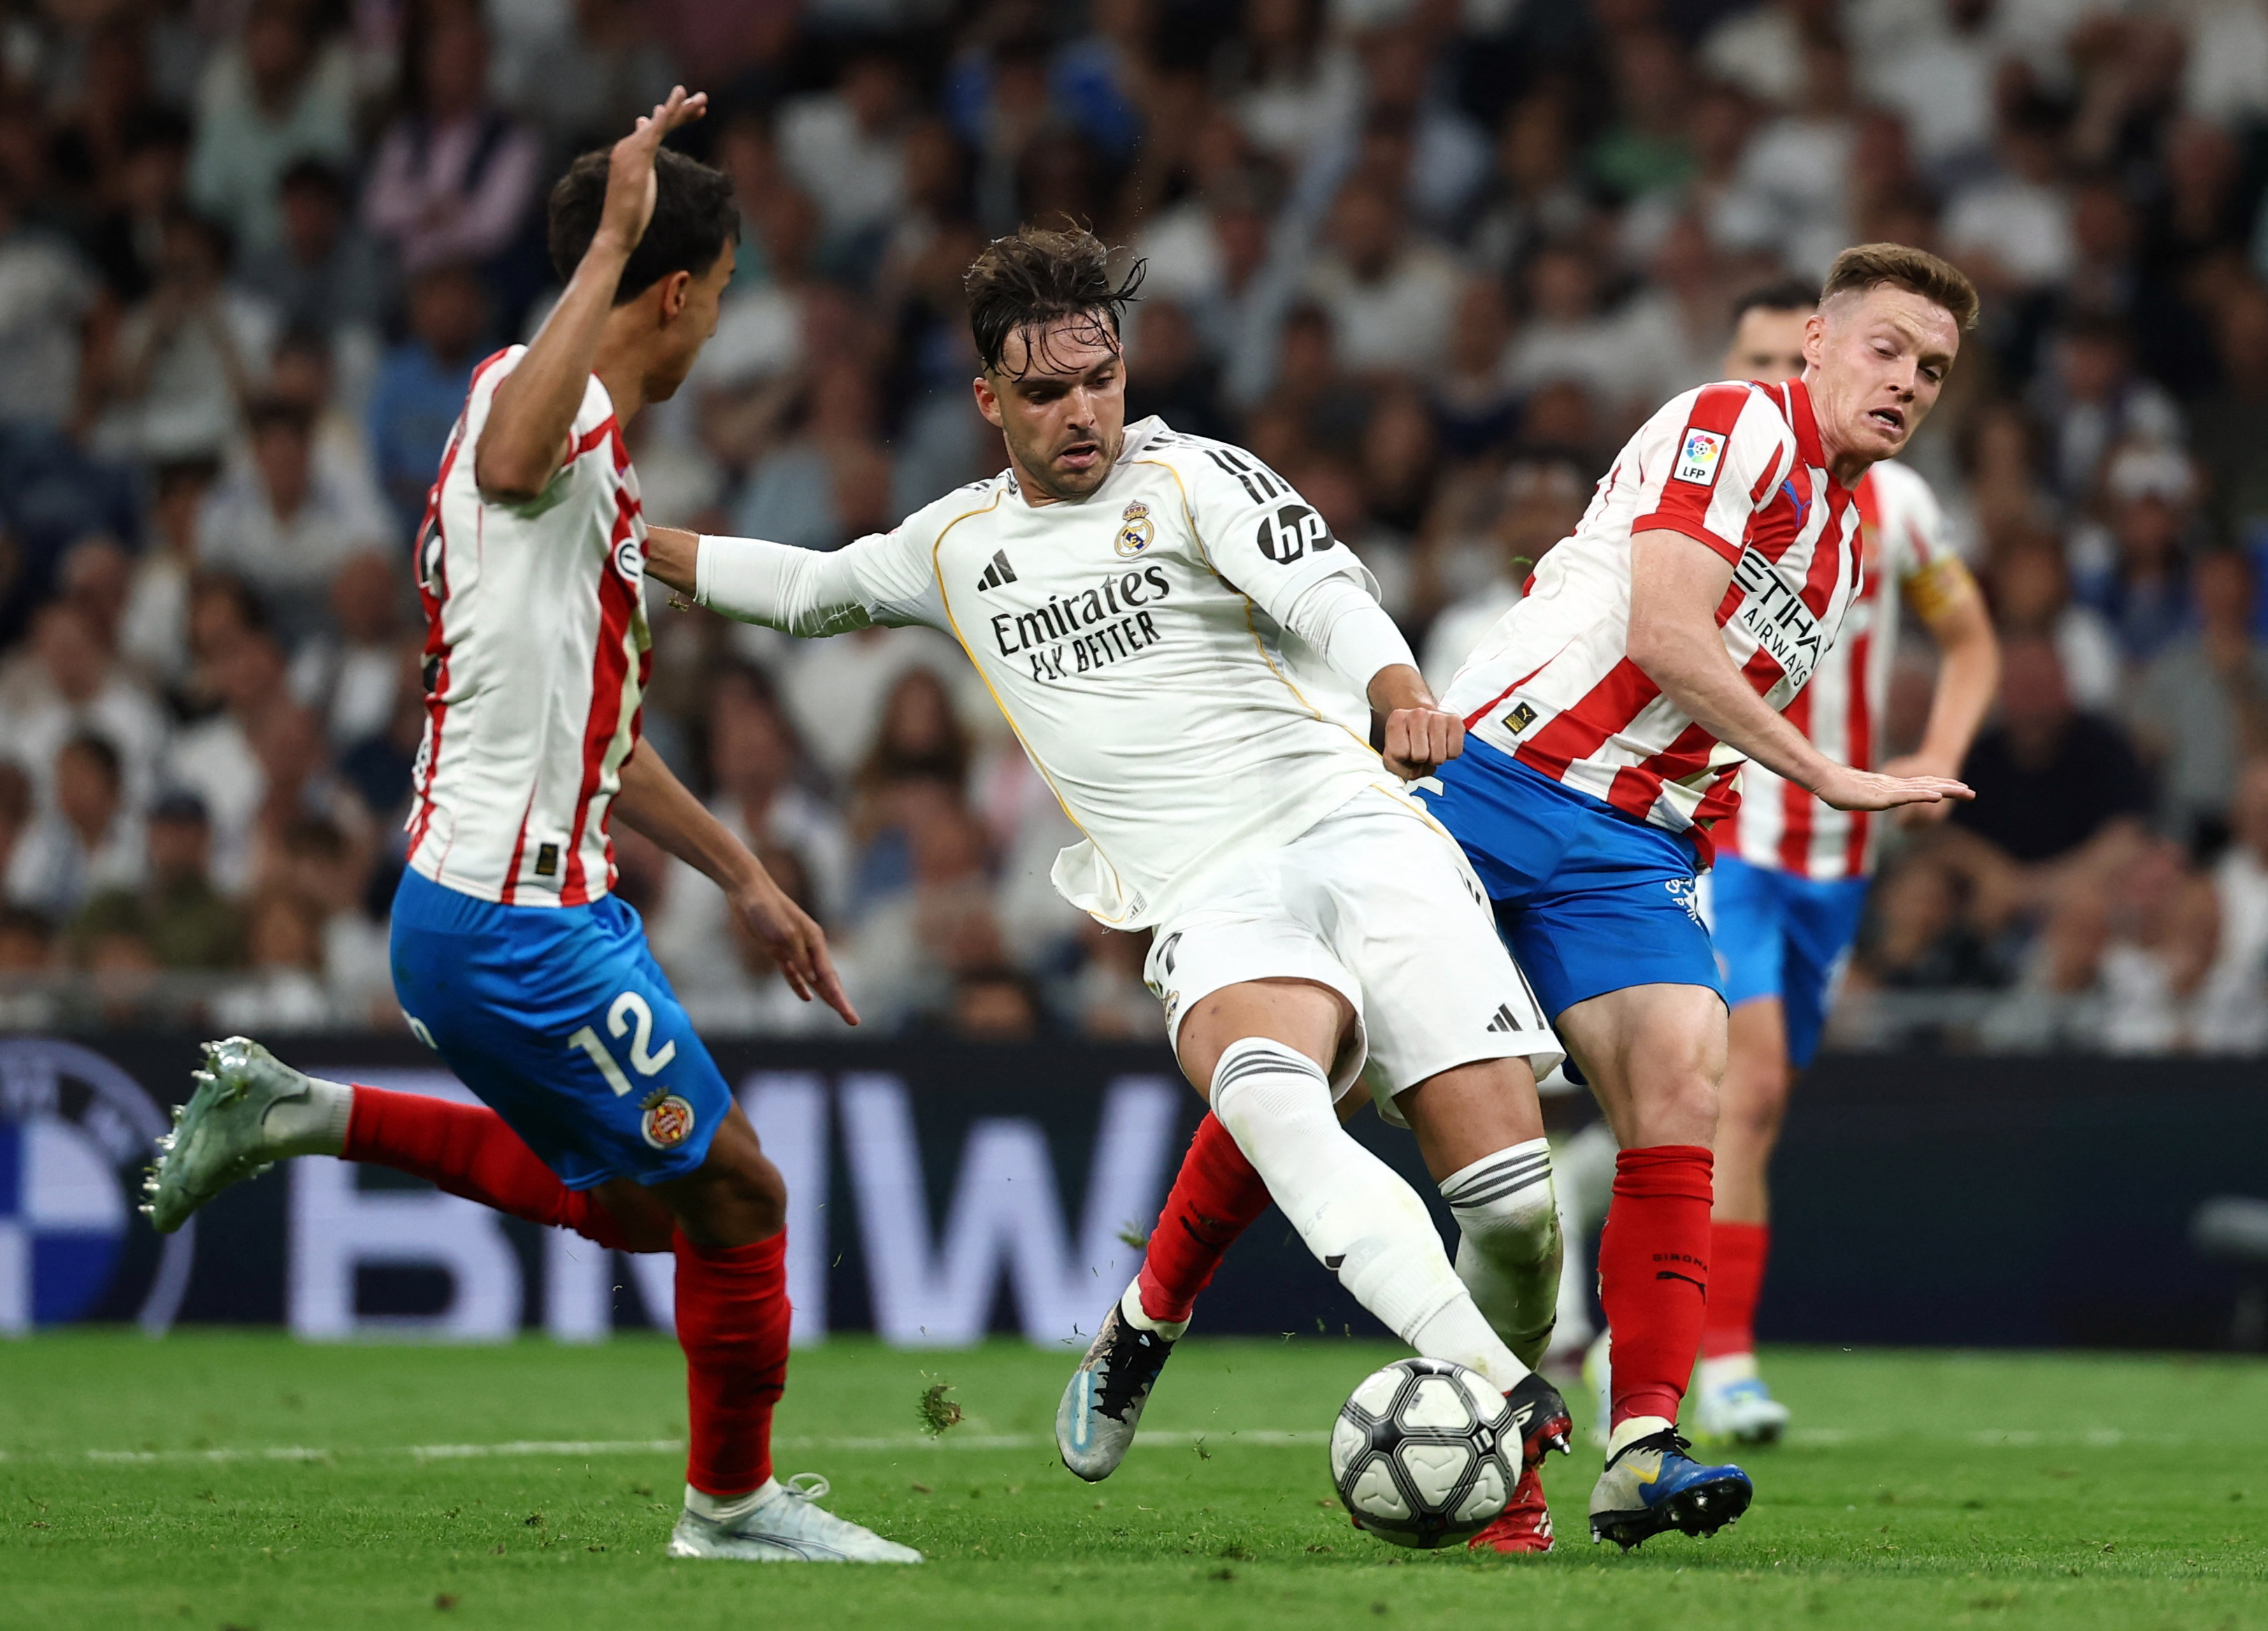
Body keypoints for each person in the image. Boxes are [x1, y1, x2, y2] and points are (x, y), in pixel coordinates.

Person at [646, 225, 1579, 1551]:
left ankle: (1152, 1318)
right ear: (988, 400)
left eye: (1100, 379)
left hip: (1357, 830)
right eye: (1044, 391)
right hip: (1208, 893)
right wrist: (619, 538)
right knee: (1278, 1106)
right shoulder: (955, 544)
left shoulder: (1195, 476)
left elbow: (1328, 592)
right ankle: (1506, 1431)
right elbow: (803, 589)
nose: (1081, 411)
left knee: (1518, 1215)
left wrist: (1400, 690)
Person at [141, 91, 917, 1567]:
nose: (712, 332)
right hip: (514, 928)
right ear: (674, 294)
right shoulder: (540, 406)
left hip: (506, 911)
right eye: (720, 299)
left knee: (644, 1210)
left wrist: (746, 872)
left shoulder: (582, 449)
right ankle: (734, 1509)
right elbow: (510, 455)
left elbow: (597, 739)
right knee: (740, 1188)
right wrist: (609, 241)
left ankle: (303, 1112)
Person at [1121, 243, 1982, 1551]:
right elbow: (1665, 636)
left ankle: (1636, 1440)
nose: (1908, 382)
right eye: (1887, 349)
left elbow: (1693, 726)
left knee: (1682, 1082)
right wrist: (1825, 775)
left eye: (1933, 369)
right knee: (1324, 1055)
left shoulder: (1854, 535)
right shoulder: (1731, 421)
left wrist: (1697, 841)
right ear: (1815, 340)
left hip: (1633, 849)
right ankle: (1151, 1314)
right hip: (1497, 782)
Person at [1659, 282, 2000, 1444]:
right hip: (1734, 830)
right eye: (1749, 358)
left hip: (1839, 853)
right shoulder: (1721, 471)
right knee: (1743, 1091)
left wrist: (1939, 751)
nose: (1764, 382)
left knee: (1749, 1104)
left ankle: (1633, 1306)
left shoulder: (1897, 508)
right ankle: (1721, 1357)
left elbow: (1970, 639)